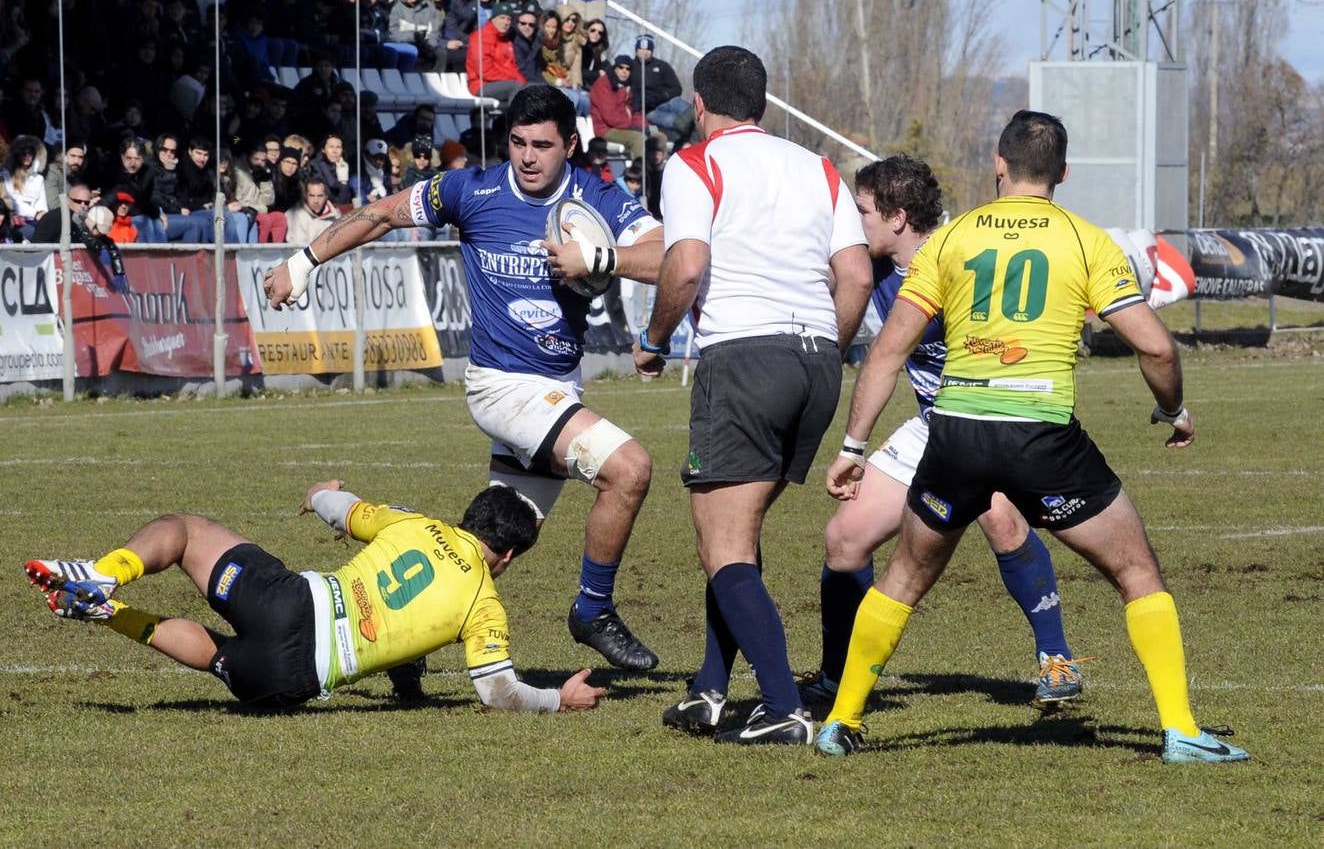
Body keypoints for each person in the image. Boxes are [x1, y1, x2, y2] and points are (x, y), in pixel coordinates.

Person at [812, 110, 1249, 765]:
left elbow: (885, 355)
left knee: (902, 577)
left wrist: (852, 447)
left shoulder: (950, 240)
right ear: (1063, 173)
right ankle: (1181, 730)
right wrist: (1173, 409)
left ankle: (839, 723)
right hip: (1041, 436)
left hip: (955, 432)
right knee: (1136, 572)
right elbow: (1155, 348)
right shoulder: (1083, 239)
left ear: (998, 164)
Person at [264, 85, 666, 672]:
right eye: (518, 143)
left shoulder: (596, 196)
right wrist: (304, 262)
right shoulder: (472, 189)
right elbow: (381, 213)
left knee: (489, 546)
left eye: (543, 146)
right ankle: (593, 610)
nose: (528, 157)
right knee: (630, 470)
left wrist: (599, 260)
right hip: (502, 387)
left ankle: (402, 640)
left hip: (557, 386)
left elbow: (668, 257)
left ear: (571, 145)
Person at [635, 46, 872, 745]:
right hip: (816, 362)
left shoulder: (694, 162)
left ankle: (782, 706)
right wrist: (827, 346)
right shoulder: (819, 167)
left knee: (725, 542)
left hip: (744, 357)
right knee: (734, 534)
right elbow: (855, 277)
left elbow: (687, 263)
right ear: (763, 106)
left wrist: (652, 340)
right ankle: (710, 690)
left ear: (700, 106)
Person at [799, 155, 1083, 714]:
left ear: (898, 217)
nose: (854, 224)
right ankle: (838, 677)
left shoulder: (963, 256)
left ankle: (1057, 659)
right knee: (845, 538)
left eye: (862, 212)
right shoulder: (875, 270)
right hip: (931, 421)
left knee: (1001, 518)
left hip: (991, 415)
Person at [24, 480, 605, 713]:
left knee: (186, 530)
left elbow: (341, 509)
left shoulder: (416, 525)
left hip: (286, 603)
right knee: (221, 656)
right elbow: (496, 690)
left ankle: (104, 576)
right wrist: (559, 699)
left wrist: (321, 493)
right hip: (287, 679)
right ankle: (111, 614)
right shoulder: (484, 604)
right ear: (505, 556)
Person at [630, 35, 689, 145]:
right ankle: (689, 140)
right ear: (636, 50)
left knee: (684, 107)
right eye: (641, 48)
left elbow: (677, 88)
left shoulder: (662, 66)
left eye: (648, 49)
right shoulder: (629, 67)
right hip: (649, 110)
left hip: (666, 101)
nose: (644, 52)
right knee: (674, 120)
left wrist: (664, 95)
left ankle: (703, 128)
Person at [465, 1, 526, 108]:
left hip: (503, 82)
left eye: (509, 19)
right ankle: (516, 123)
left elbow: (512, 66)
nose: (506, 22)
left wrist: (521, 80)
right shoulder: (481, 37)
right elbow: (484, 71)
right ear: (493, 18)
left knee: (535, 89)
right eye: (502, 18)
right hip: (481, 84)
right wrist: (514, 78)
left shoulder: (506, 39)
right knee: (516, 87)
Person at [589, 54, 645, 160]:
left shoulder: (628, 85)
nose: (624, 71)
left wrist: (643, 125)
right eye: (621, 67)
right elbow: (610, 116)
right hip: (606, 129)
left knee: (657, 136)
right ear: (615, 68)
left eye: (628, 69)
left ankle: (656, 174)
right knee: (639, 138)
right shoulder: (604, 84)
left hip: (623, 126)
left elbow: (635, 111)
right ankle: (638, 173)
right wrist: (632, 126)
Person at [285, 176, 342, 245]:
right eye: (312, 196)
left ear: (326, 197)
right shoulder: (295, 215)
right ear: (306, 196)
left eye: (320, 196)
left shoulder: (336, 217)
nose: (316, 201)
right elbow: (295, 247)